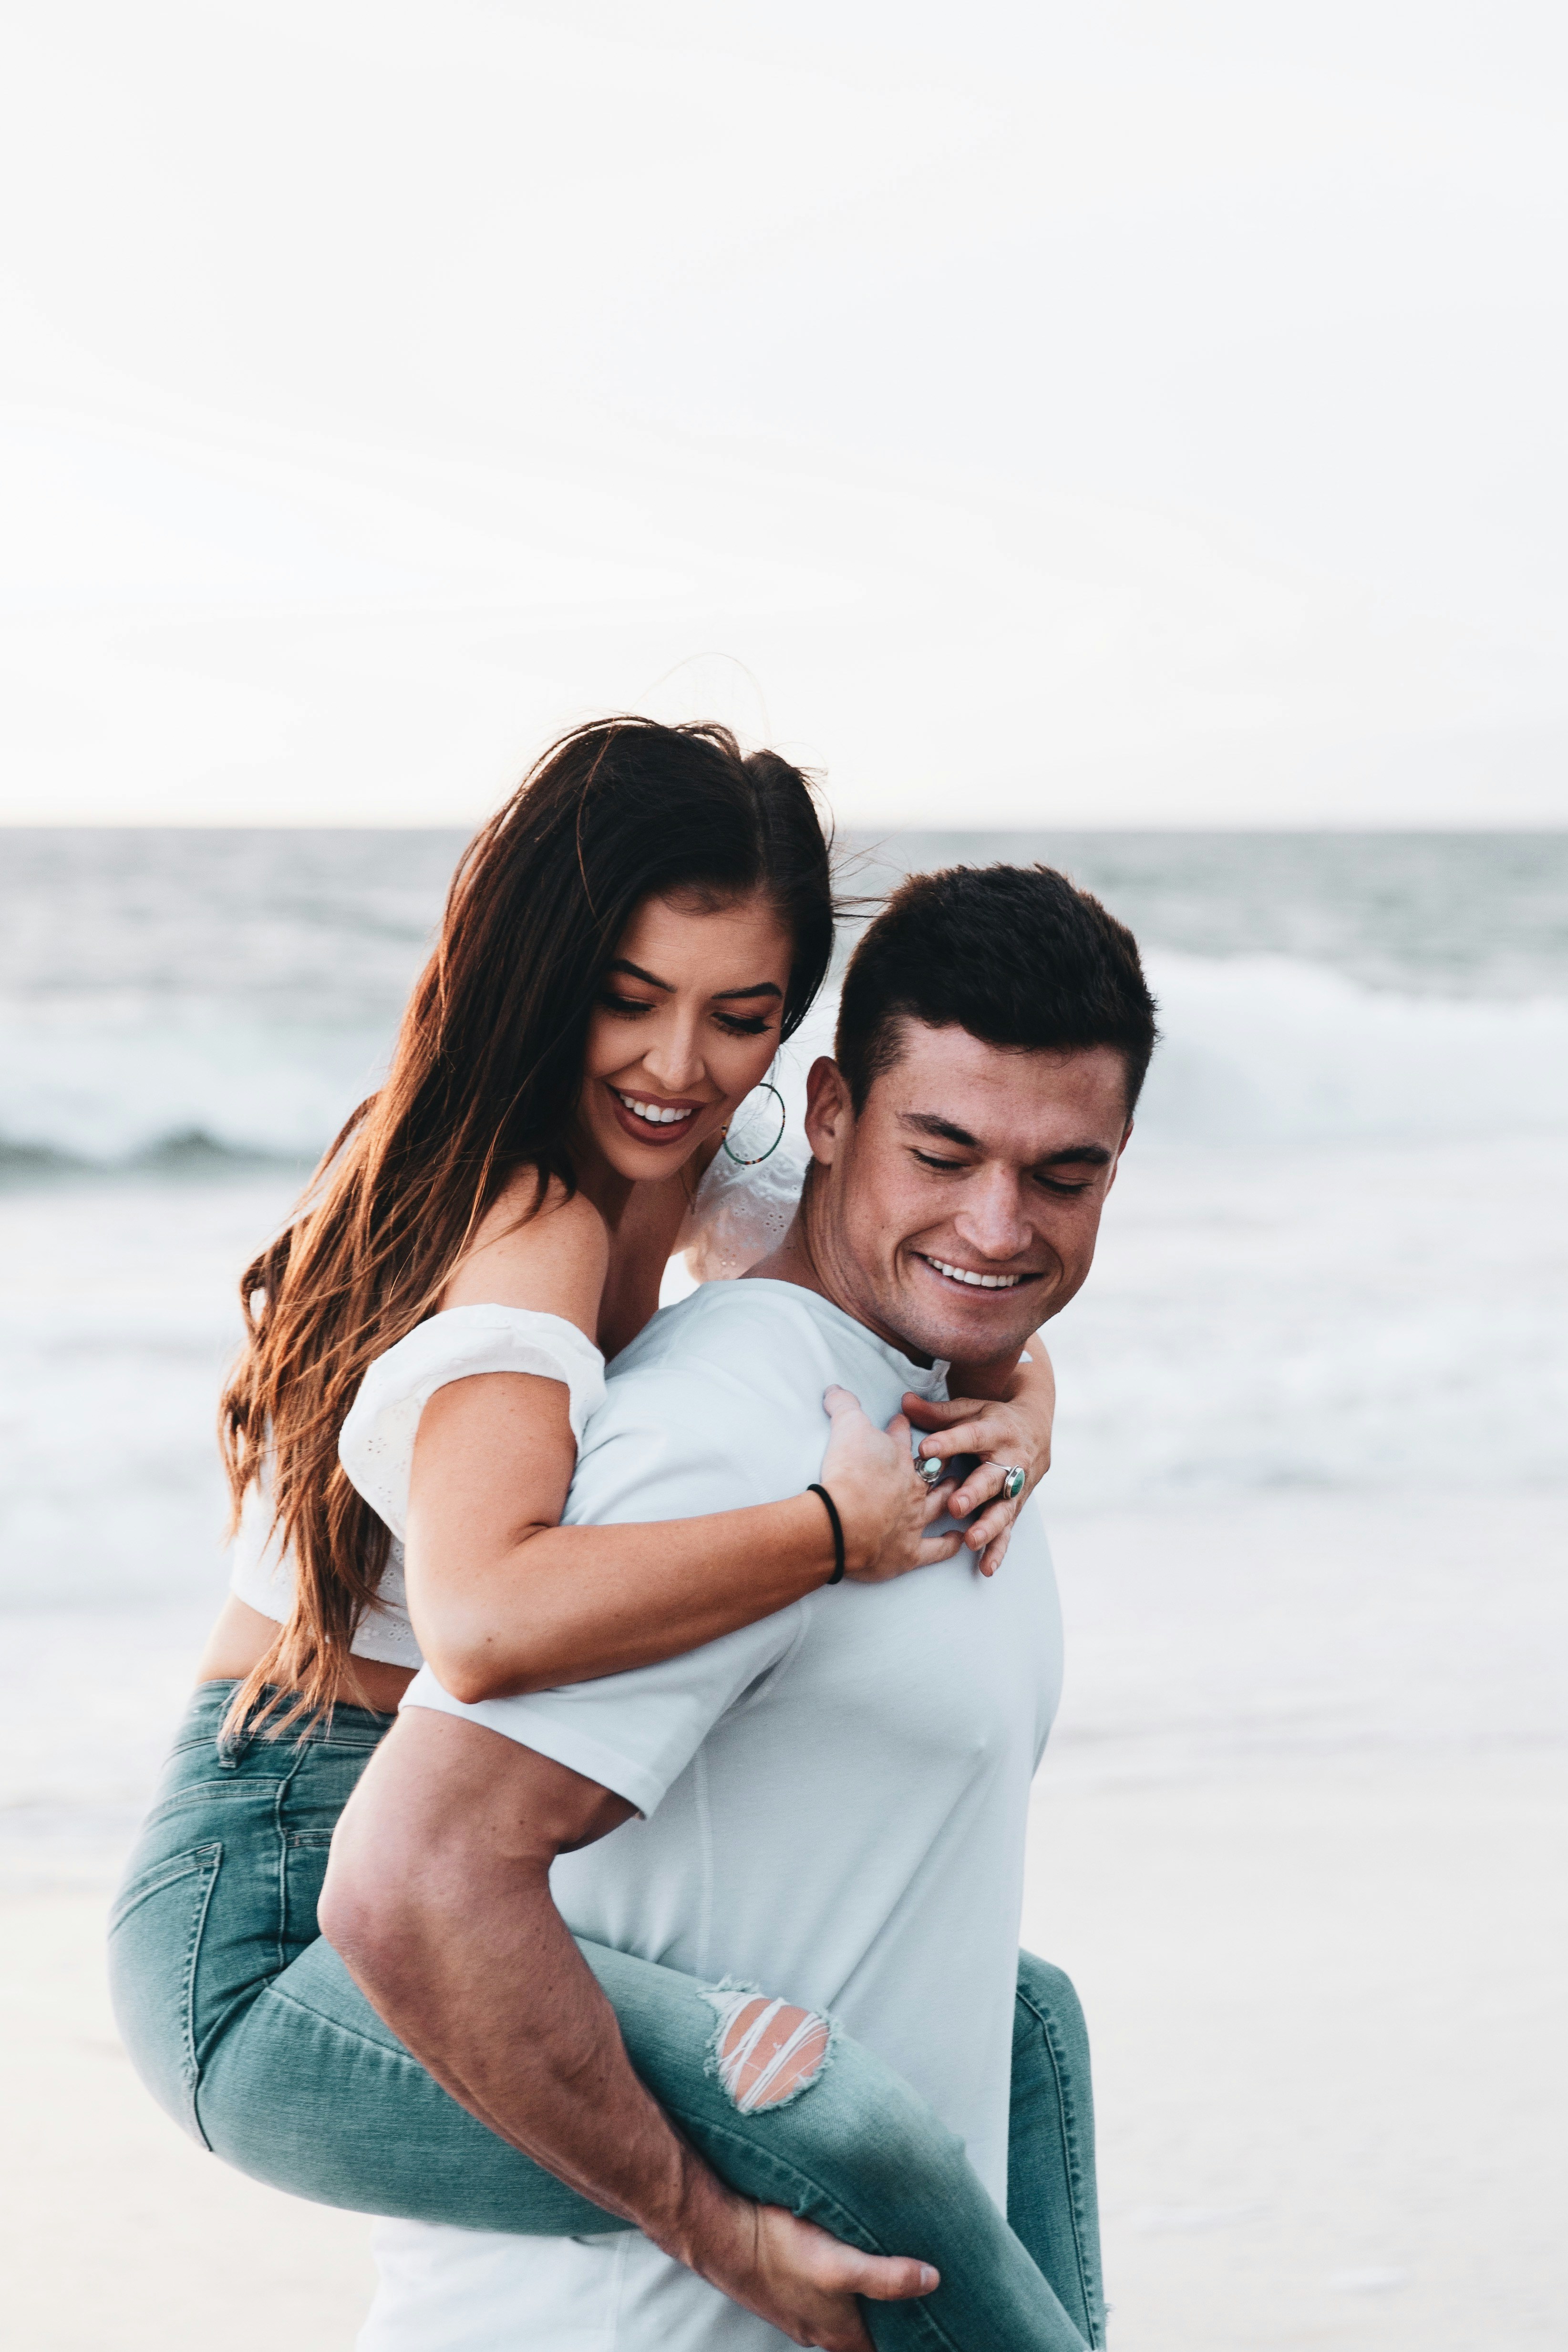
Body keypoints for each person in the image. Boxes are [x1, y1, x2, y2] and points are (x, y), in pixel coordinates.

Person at [107, 723, 1075, 2308]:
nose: (681, 1067)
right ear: (541, 969)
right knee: (847, 2118)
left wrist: (1025, 1406)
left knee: (1016, 2029)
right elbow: (485, 1620)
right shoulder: (538, 1216)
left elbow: (927, 1282)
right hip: (271, 1927)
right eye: (630, 999)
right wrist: (834, 1532)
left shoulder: (663, 1172)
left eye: (741, 1015)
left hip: (382, 1855)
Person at [322, 861, 1158, 2352]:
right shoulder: (738, 1428)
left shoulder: (933, 1416)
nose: (999, 1221)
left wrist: (1021, 1396)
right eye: (945, 1149)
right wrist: (708, 2235)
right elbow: (417, 1874)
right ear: (830, 1114)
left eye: (1065, 1174)